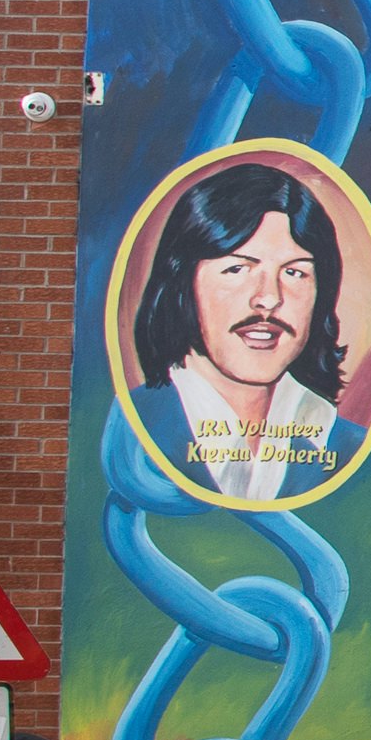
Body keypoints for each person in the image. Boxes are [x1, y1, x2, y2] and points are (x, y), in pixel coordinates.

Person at [127, 162, 355, 503]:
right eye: (237, 268)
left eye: (294, 273)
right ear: (182, 283)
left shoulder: (351, 447)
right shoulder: (130, 430)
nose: (268, 298)